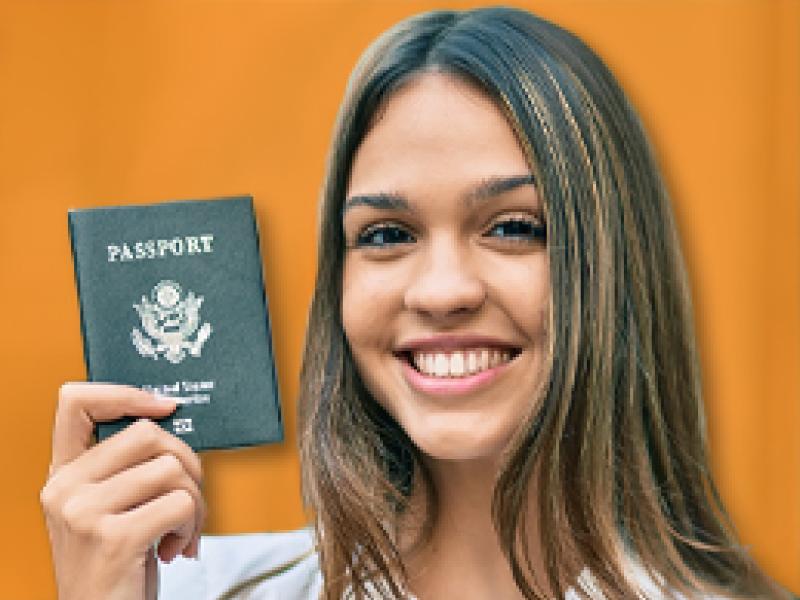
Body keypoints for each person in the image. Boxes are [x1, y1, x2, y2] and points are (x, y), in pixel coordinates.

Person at [40, 6, 795, 600]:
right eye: (387, 234)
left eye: (513, 227)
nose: (440, 291)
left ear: (616, 264)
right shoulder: (185, 592)